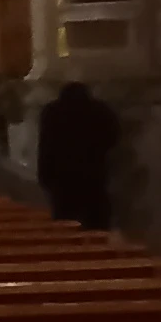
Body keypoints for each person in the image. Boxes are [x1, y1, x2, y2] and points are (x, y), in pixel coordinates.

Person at [36, 78, 120, 230]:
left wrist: (45, 178)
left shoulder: (52, 112)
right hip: (94, 181)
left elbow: (45, 147)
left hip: (62, 184)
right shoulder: (100, 111)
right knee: (97, 230)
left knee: (66, 231)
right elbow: (113, 138)